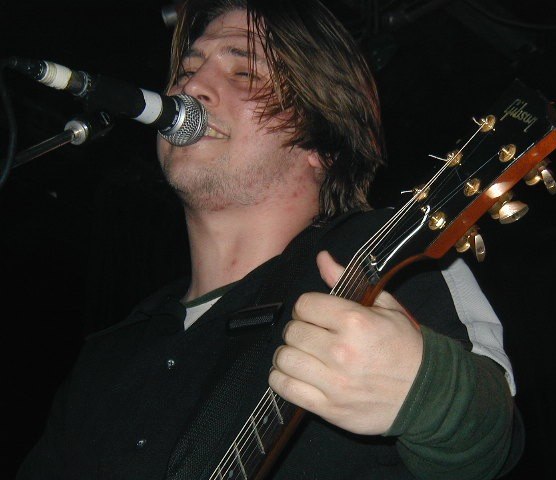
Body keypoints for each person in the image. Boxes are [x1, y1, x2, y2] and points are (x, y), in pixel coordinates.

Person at [17, 0, 522, 479]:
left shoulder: (386, 255)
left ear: (320, 141)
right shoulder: (110, 354)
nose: (193, 86)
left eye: (243, 73)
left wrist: (429, 396)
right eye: (187, 69)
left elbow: (491, 444)